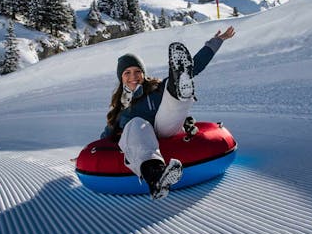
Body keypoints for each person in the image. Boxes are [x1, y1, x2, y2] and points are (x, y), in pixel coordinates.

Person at [101, 26, 236, 199]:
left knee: (171, 88)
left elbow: (196, 66)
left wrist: (217, 41)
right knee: (135, 123)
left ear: (143, 74)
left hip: (166, 127)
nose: (133, 76)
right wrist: (85, 154)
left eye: (137, 71)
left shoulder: (156, 89)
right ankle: (157, 177)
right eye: (127, 73)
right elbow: (106, 135)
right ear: (121, 78)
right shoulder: (119, 108)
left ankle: (180, 88)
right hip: (139, 137)